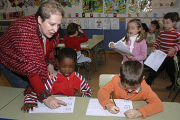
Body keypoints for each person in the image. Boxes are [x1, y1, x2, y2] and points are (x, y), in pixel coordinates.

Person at [0, 1, 67, 109]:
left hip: (29, 61)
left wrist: (49, 64)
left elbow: (49, 49)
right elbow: (31, 69)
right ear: (40, 19)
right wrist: (46, 97)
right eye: (52, 24)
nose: (56, 30)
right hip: (10, 61)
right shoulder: (24, 32)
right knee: (26, 92)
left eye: (58, 25)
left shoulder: (49, 30)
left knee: (37, 87)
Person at [21, 48, 92, 113]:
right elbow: (36, 90)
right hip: (55, 109)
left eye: (71, 66)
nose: (67, 70)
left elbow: (88, 92)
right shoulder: (52, 78)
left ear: (75, 64)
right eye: (64, 66)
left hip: (74, 110)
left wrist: (82, 95)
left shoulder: (79, 77)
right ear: (57, 63)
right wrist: (30, 101)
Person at [97, 60, 163, 119]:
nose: (129, 91)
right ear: (120, 77)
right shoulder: (116, 80)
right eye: (125, 87)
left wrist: (139, 112)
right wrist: (108, 104)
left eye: (134, 88)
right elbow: (103, 91)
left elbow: (158, 104)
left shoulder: (145, 87)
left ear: (142, 79)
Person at [146, 12, 180, 89]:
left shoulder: (176, 33)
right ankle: (147, 85)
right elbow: (158, 41)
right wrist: (154, 47)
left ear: (174, 23)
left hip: (171, 58)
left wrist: (175, 48)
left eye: (167, 23)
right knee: (154, 71)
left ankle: (175, 85)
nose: (164, 25)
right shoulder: (162, 33)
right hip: (161, 57)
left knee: (172, 74)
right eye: (164, 22)